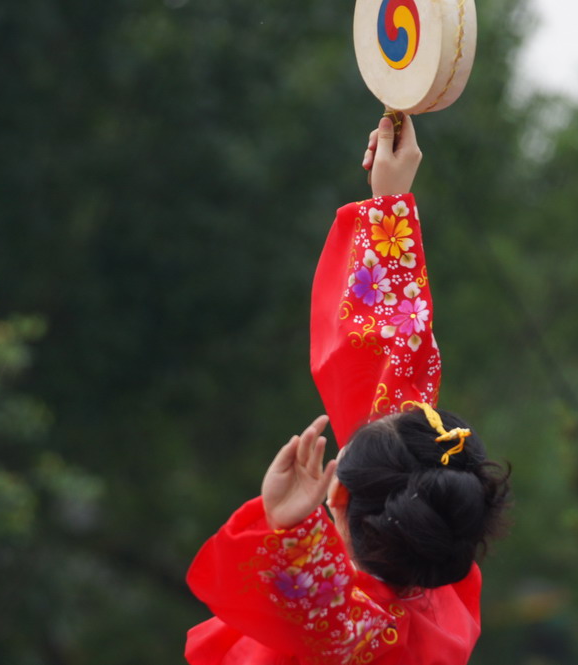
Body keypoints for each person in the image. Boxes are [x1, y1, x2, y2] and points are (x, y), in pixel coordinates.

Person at [185, 115, 511, 665]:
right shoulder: (440, 600)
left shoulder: (353, 637)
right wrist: (390, 204)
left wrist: (290, 529)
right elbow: (389, 374)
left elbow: (333, 622)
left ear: (337, 494)